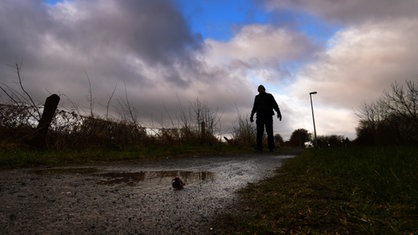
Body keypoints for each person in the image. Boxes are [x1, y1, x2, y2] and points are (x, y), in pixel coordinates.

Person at [250, 85, 282, 152]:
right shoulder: (257, 97)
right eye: (259, 89)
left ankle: (271, 147)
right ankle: (259, 147)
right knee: (259, 132)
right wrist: (251, 115)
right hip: (259, 117)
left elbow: (275, 105)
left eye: (262, 89)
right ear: (258, 90)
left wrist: (279, 112)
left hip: (268, 116)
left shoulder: (269, 96)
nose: (261, 90)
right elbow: (254, 107)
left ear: (264, 89)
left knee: (270, 132)